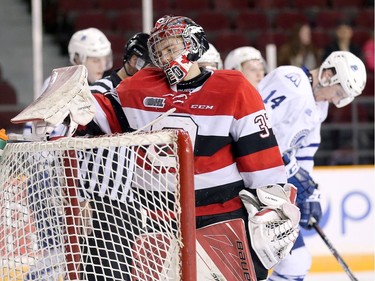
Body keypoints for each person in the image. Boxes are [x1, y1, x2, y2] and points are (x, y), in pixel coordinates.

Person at [81, 15, 301, 280]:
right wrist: (69, 106)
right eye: (159, 52)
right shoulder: (140, 86)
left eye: (171, 48)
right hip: (156, 219)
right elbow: (97, 115)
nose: (165, 57)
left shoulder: (234, 88)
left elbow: (261, 160)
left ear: (194, 45)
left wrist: (274, 208)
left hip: (221, 217)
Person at [255, 51, 366, 280]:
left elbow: (305, 152)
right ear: (328, 74)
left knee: (296, 263)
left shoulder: (319, 106)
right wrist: (290, 169)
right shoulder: (290, 81)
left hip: (271, 186)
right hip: (247, 180)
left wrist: (309, 193)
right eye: (337, 92)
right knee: (263, 262)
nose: (336, 101)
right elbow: (256, 127)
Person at [23, 27, 113, 137]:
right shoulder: (59, 84)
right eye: (95, 60)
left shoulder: (105, 87)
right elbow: (39, 136)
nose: (102, 66)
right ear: (77, 59)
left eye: (105, 60)